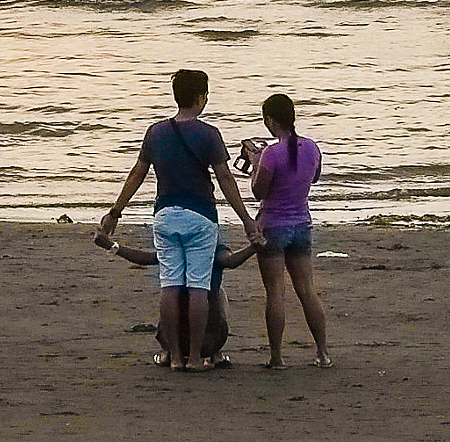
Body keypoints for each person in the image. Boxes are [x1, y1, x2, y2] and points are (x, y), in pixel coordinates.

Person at [99, 69, 264, 372]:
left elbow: (138, 172)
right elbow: (225, 178)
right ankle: (195, 358)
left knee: (170, 285)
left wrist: (114, 212)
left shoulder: (156, 132)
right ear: (201, 98)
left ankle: (174, 357)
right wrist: (246, 219)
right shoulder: (209, 134)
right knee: (199, 287)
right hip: (200, 216)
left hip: (163, 215)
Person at [243, 94, 332, 369]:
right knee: (307, 289)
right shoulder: (312, 147)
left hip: (273, 226)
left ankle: (277, 356)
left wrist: (255, 161)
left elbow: (259, 191)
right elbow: (313, 178)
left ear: (270, 120)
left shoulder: (271, 153)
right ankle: (322, 352)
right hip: (301, 223)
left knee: (276, 293)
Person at [93, 227, 258, 365]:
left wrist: (111, 246)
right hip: (211, 340)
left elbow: (144, 258)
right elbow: (231, 261)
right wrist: (254, 247)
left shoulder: (174, 250)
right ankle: (216, 354)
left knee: (171, 291)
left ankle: (167, 353)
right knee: (215, 291)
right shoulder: (213, 248)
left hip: (172, 340)